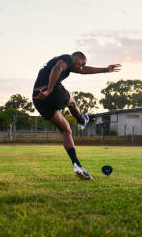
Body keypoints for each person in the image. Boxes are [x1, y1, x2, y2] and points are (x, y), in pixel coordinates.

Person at [32, 51, 121, 180]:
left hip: (38, 100)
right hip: (51, 93)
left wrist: (105, 70)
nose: (81, 67)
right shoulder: (67, 58)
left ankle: (77, 165)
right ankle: (81, 120)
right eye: (81, 63)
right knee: (72, 101)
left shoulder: (68, 64)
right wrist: (49, 90)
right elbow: (57, 68)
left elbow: (83, 70)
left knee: (66, 130)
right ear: (76, 58)